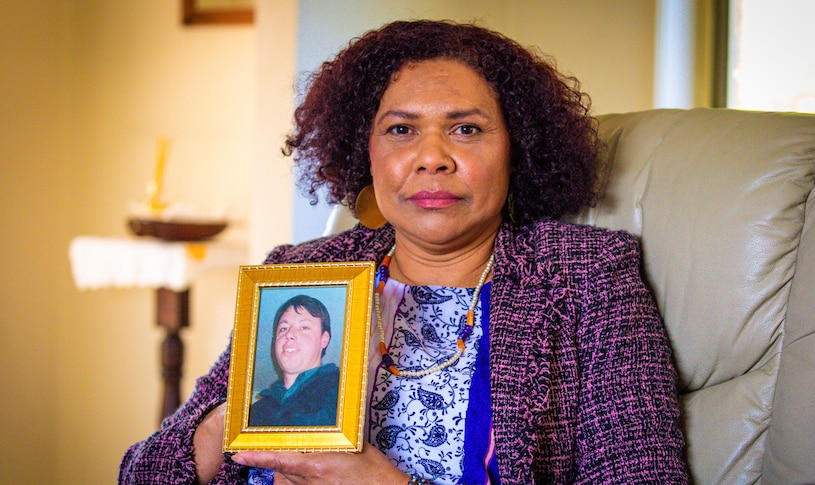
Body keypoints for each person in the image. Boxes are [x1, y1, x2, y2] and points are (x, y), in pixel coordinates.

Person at [120, 19, 688, 484]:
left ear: (516, 152)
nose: (432, 157)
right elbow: (144, 473)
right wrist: (239, 419)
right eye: (400, 130)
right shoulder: (306, 270)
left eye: (466, 130)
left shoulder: (585, 274)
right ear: (363, 151)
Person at [248, 295, 339, 427]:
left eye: (304, 327)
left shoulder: (342, 393)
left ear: (324, 339)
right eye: (283, 329)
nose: (289, 334)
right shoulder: (255, 412)